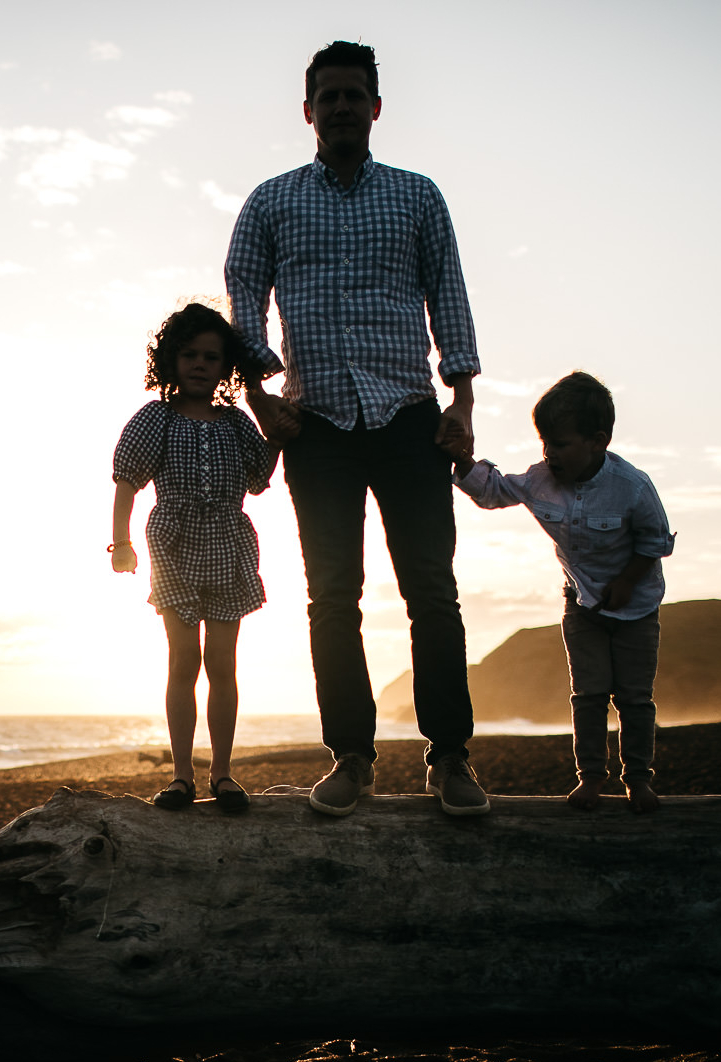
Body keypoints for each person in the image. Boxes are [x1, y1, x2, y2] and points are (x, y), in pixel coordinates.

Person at [224, 38, 487, 818]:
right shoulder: (272, 200)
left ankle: (450, 759)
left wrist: (463, 401)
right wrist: (259, 393)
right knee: (332, 597)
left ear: (375, 107)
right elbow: (243, 290)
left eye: (353, 95)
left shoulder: (417, 195)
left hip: (409, 415)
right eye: (327, 97)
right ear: (308, 112)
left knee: (432, 592)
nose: (341, 108)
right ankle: (352, 758)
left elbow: (451, 295)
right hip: (318, 425)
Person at [441, 372, 675, 812]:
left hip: (637, 609)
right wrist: (462, 460)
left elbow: (656, 541)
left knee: (634, 698)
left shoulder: (633, 487)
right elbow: (493, 491)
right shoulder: (541, 479)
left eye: (561, 444)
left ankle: (639, 780)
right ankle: (590, 778)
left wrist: (626, 582)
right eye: (545, 443)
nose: (550, 454)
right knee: (588, 694)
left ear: (598, 441)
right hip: (582, 606)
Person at [110, 303, 277, 813]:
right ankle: (181, 776)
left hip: (229, 541)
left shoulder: (235, 422)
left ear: (226, 367)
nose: (200, 364)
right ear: (170, 360)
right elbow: (126, 479)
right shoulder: (154, 417)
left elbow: (259, 477)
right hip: (174, 544)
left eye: (211, 356)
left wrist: (281, 432)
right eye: (190, 355)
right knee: (184, 660)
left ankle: (221, 773)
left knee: (222, 663)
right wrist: (121, 541)